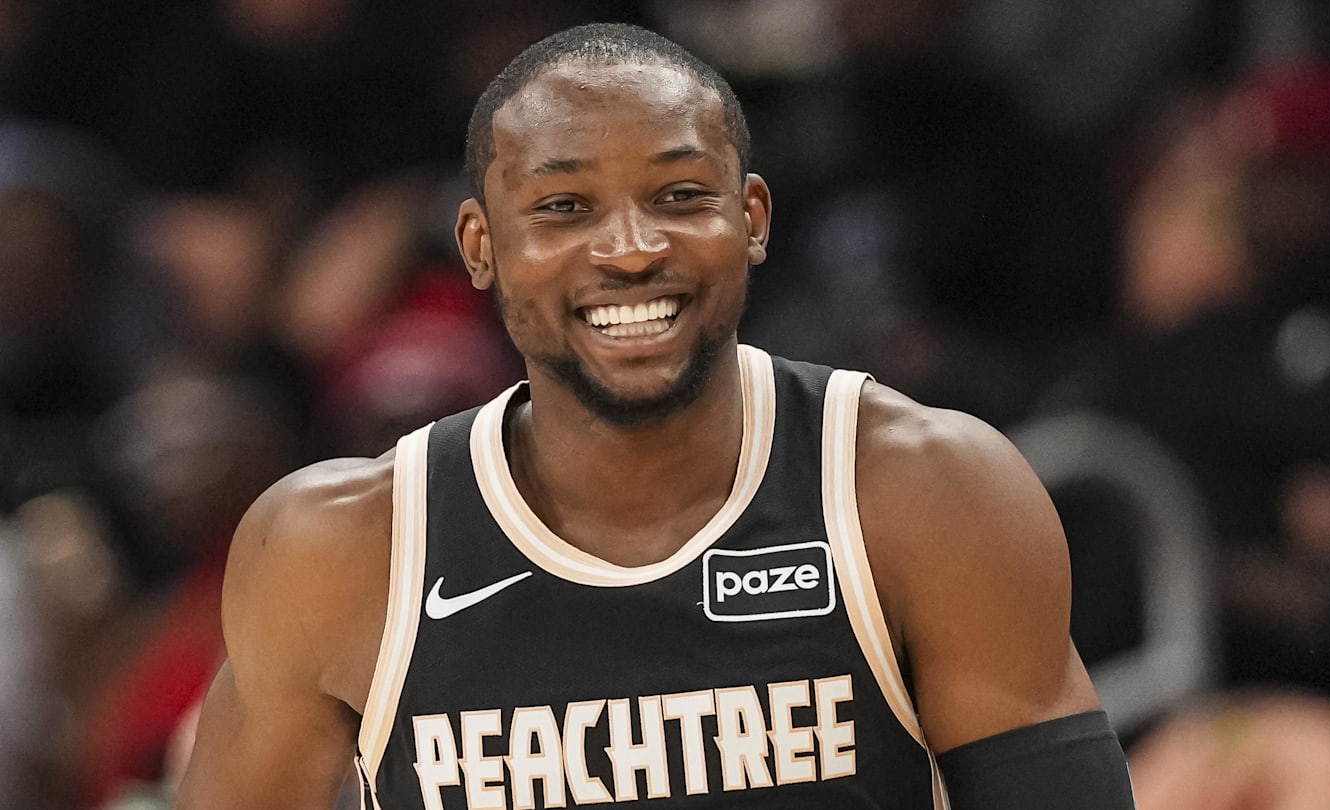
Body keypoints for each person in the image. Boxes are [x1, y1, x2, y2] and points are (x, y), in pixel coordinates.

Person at [175, 23, 1134, 809]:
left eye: (680, 196)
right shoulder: (339, 550)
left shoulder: (926, 492)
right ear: (480, 244)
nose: (631, 249)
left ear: (752, 220)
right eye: (564, 207)